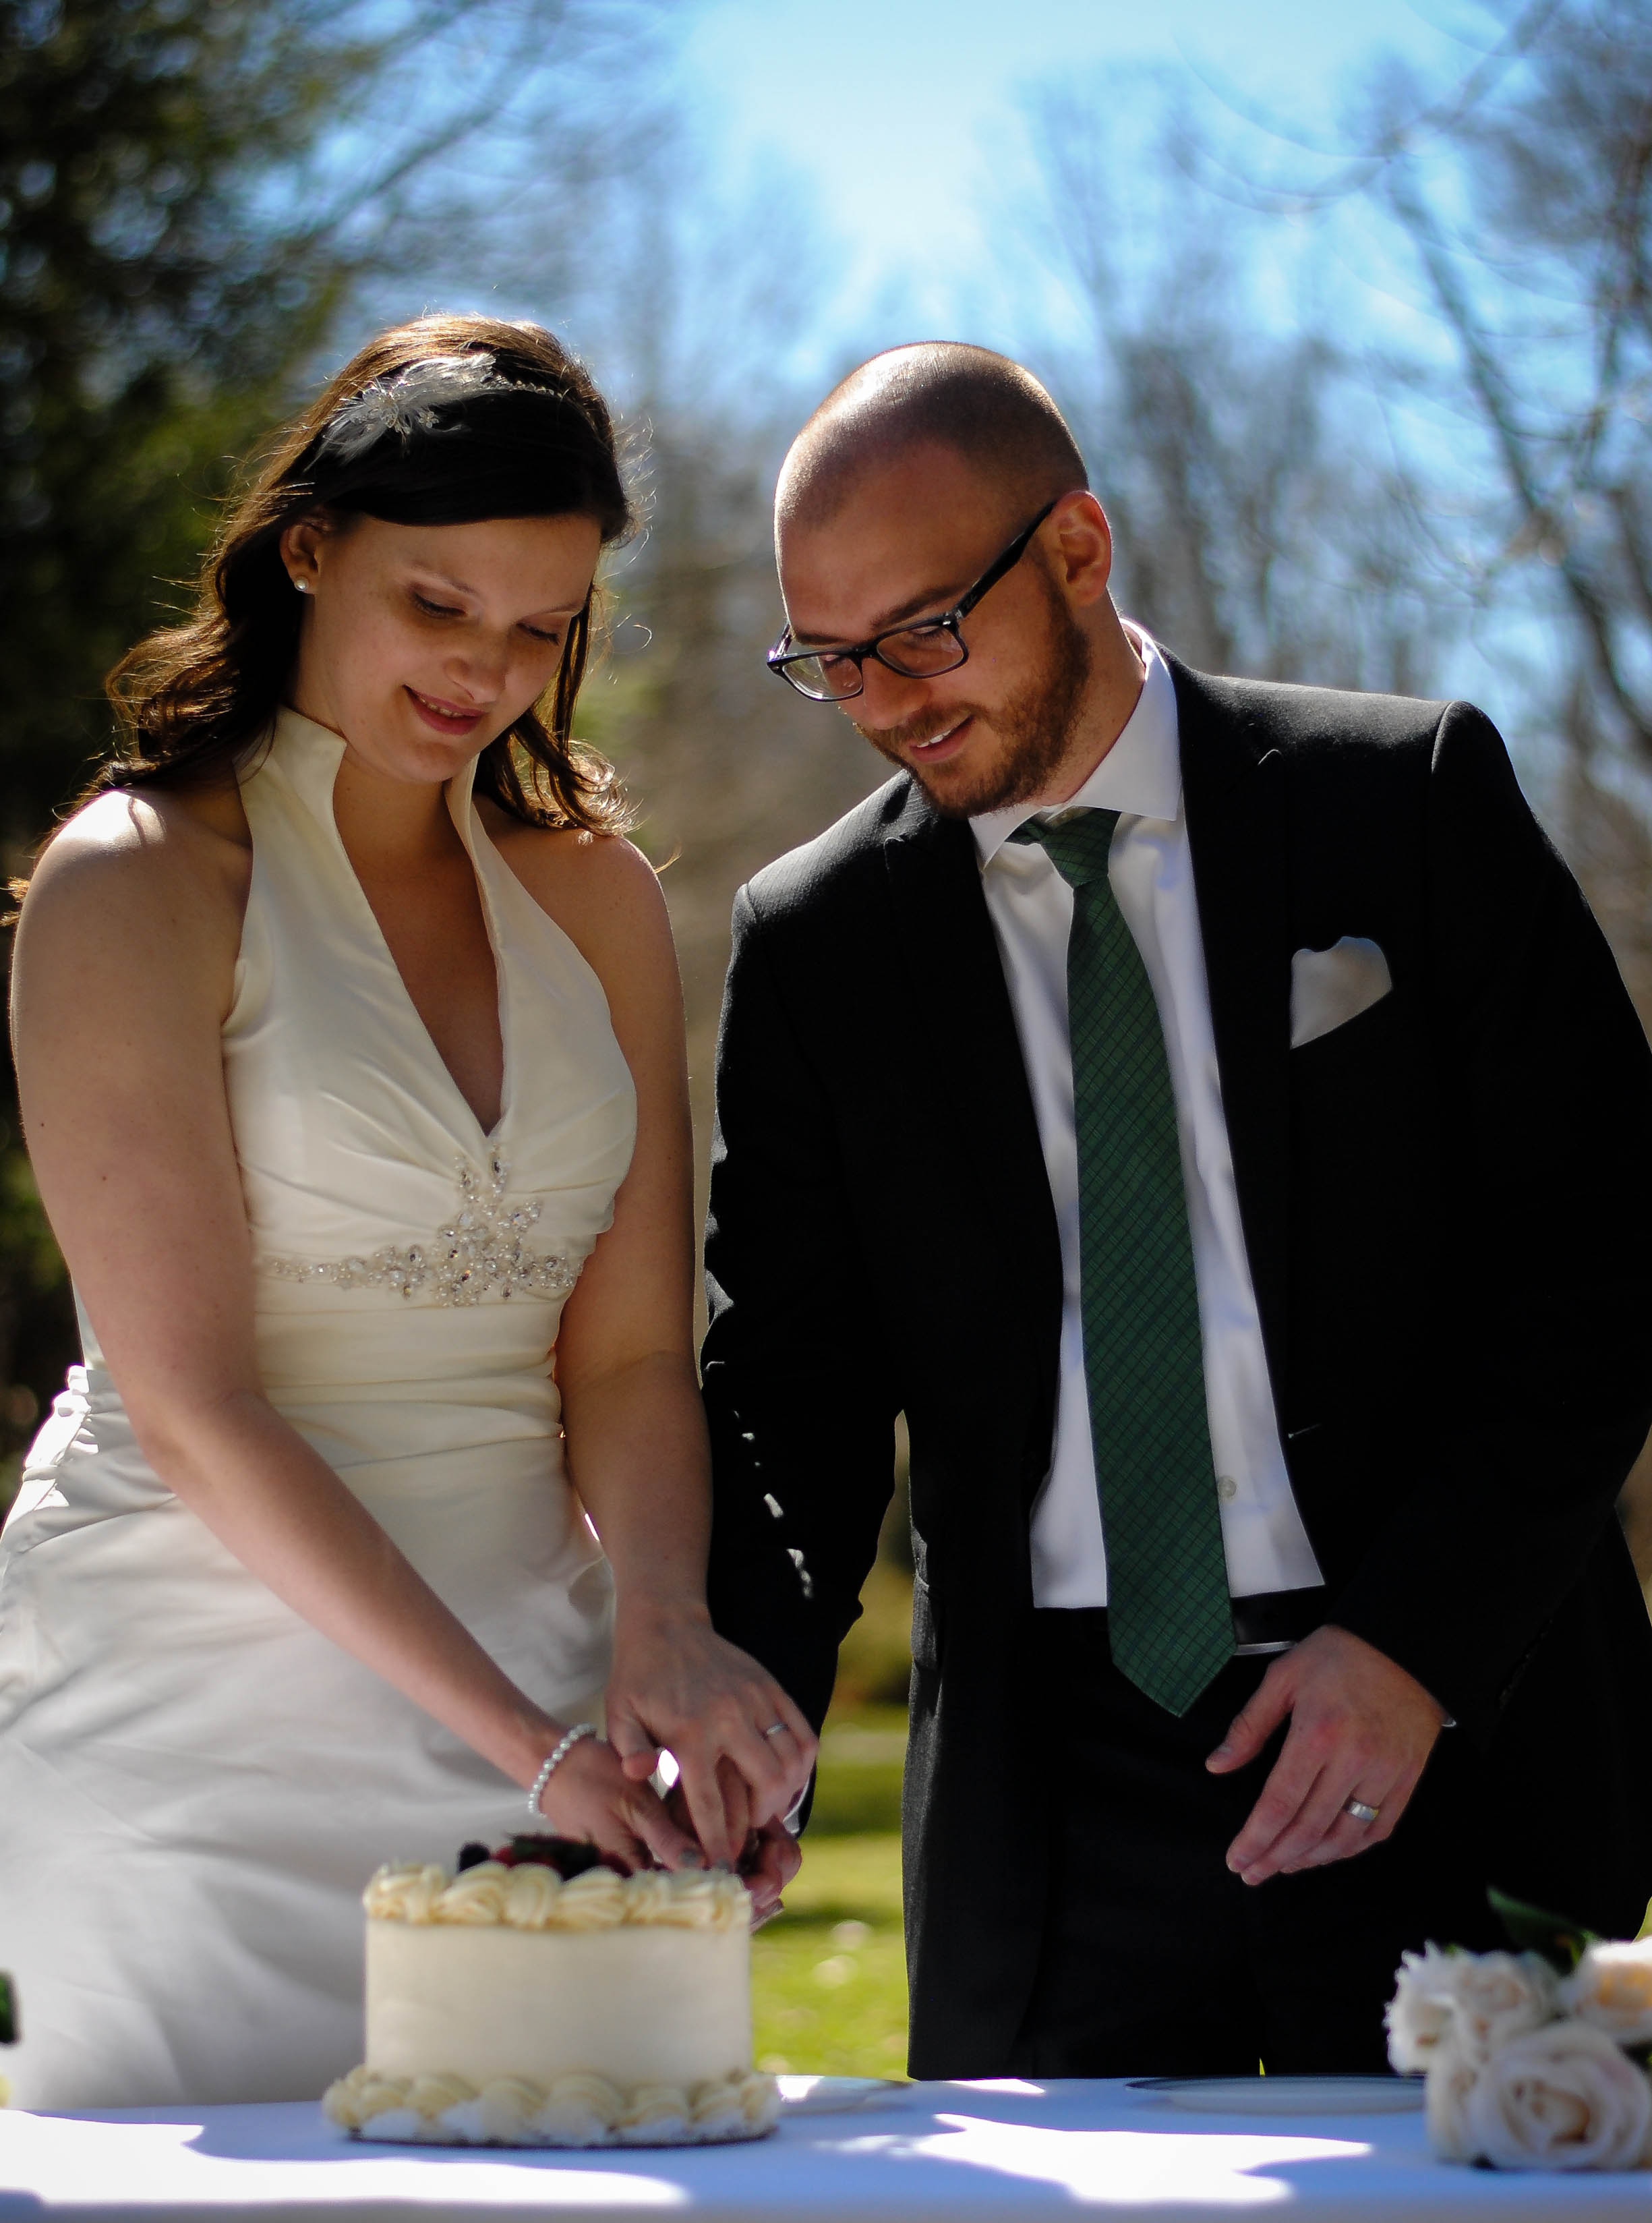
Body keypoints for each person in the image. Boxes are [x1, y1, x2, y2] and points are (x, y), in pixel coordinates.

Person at [701, 341, 1652, 2081]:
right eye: (828, 662)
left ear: (1078, 548)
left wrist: (1415, 1646)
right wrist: (747, 1698)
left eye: (923, 632)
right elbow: (794, 1389)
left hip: (1446, 1727)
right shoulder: (816, 942)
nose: (888, 703)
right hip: (1049, 1804)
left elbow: (1603, 1257)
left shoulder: (1409, 800)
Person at [0, 313, 808, 2110]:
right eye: (437, 607)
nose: (486, 673)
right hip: (188, 1729)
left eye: (539, 628)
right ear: (309, 547)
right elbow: (198, 1403)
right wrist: (525, 1748)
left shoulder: (592, 893)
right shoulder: (134, 881)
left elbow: (621, 1353)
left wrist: (659, 1628)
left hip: (538, 1688)